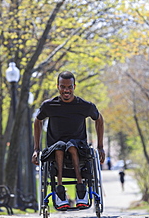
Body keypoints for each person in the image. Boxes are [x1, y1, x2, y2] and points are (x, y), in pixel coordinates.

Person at [31, 71, 105, 210]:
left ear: (74, 86)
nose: (66, 90)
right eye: (63, 86)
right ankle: (60, 192)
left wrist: (100, 147)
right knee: (60, 147)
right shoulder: (49, 106)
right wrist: (36, 149)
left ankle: (81, 190)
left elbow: (99, 120)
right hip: (55, 149)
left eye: (69, 87)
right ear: (58, 86)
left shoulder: (84, 105)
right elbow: (37, 121)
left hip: (79, 147)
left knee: (72, 145)